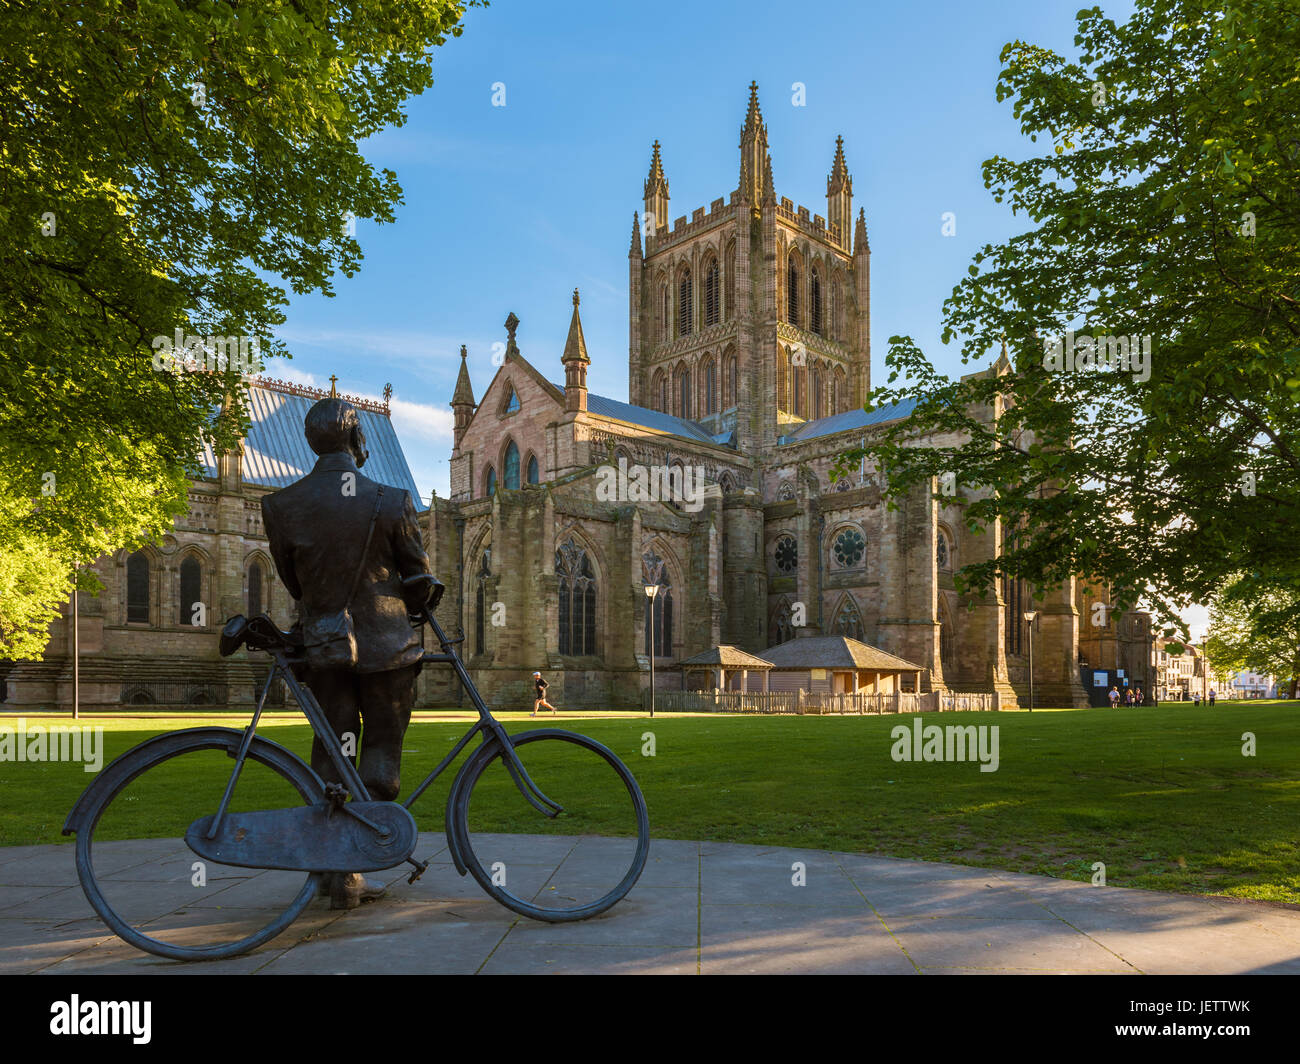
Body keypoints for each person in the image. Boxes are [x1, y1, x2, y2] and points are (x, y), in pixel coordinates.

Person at [261, 397, 443, 910]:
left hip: (325, 648)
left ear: (310, 441)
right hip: (388, 649)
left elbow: (295, 583)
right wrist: (422, 592)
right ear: (357, 438)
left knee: (331, 756)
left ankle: (335, 874)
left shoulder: (280, 506)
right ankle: (355, 864)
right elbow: (416, 575)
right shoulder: (391, 499)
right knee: (381, 758)